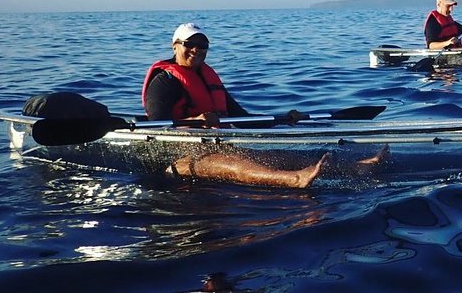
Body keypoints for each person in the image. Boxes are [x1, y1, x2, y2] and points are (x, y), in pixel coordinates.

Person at [143, 23, 388, 188]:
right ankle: (293, 180)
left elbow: (241, 117)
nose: (197, 50)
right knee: (227, 165)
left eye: (203, 45)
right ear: (175, 45)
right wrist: (195, 123)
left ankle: (355, 169)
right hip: (176, 154)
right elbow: (157, 129)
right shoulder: (163, 82)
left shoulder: (207, 78)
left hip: (215, 144)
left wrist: (286, 118)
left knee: (273, 156)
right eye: (189, 44)